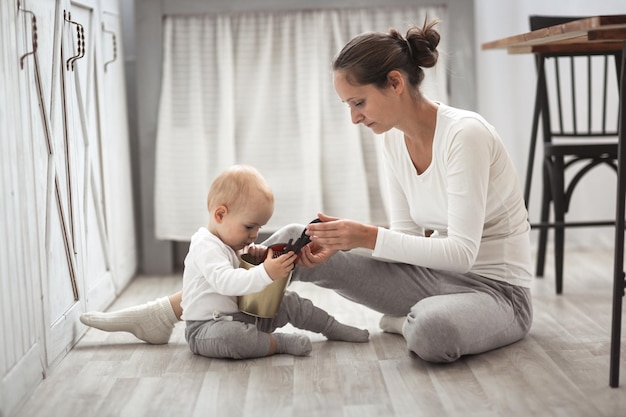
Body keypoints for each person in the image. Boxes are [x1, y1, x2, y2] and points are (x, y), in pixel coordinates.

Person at [81, 19, 533, 363]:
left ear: (395, 82)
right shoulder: (393, 137)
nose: (354, 118)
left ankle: (406, 321)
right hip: (430, 281)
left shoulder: (465, 136)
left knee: (433, 334)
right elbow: (408, 239)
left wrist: (364, 237)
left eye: (358, 102)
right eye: (348, 106)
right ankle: (168, 313)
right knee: (300, 235)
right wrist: (338, 243)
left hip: (495, 293)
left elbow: (463, 255)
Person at [82, 165, 369, 358]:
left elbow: (237, 271)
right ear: (220, 215)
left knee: (291, 301)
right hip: (208, 328)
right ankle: (277, 344)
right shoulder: (205, 246)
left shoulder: (228, 241)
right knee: (234, 339)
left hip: (239, 314)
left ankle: (331, 327)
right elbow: (226, 281)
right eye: (249, 228)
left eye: (259, 229)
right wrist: (267, 272)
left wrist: (251, 258)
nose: (255, 234)